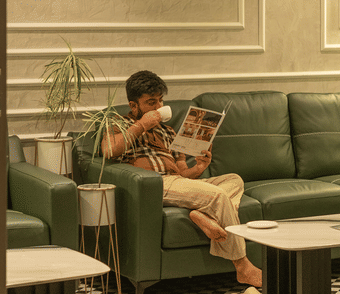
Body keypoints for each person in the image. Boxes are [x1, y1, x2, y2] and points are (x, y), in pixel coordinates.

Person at [101, 70, 262, 288]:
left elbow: (181, 173)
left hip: (175, 182)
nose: (159, 108)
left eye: (160, 101)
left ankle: (206, 216)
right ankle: (242, 267)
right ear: (134, 106)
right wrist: (142, 125)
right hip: (154, 184)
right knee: (218, 196)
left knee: (234, 180)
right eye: (151, 103)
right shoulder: (120, 123)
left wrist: (199, 167)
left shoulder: (168, 131)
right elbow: (109, 149)